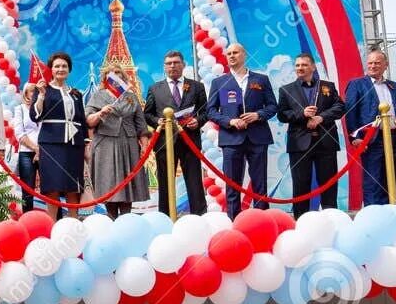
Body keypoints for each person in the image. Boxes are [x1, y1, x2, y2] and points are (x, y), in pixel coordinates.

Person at [207, 43, 278, 217]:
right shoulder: (219, 82)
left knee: (260, 184)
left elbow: (272, 106)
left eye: (235, 52)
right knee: (232, 184)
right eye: (229, 53)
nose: (231, 56)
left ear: (244, 55)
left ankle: (262, 221)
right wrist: (230, 121)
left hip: (258, 137)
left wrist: (258, 115)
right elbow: (210, 111)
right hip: (231, 139)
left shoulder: (261, 80)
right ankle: (234, 221)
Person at [276, 53, 346, 215]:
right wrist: (302, 114)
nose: (300, 68)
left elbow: (340, 107)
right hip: (299, 144)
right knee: (301, 185)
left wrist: (321, 117)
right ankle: (301, 221)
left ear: (313, 67)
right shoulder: (286, 90)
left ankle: (331, 218)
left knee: (329, 184)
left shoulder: (327, 86)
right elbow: (282, 114)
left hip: (326, 142)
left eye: (304, 65)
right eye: (297, 65)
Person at [141, 50, 209, 216]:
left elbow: (206, 111)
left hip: (190, 141)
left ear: (183, 65)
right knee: (165, 183)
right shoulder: (155, 89)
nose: (173, 66)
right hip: (164, 143)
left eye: (176, 62)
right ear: (164, 67)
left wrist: (198, 121)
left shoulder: (196, 87)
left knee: (194, 182)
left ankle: (198, 217)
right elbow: (147, 114)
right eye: (169, 63)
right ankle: (164, 218)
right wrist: (158, 121)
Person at [24, 51, 86, 219]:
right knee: (53, 186)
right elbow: (35, 116)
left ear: (69, 69)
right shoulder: (43, 89)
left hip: (74, 145)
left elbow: (82, 119)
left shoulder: (76, 93)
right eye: (57, 66)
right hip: (51, 145)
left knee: (73, 186)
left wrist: (86, 144)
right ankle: (51, 224)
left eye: (64, 66)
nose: (61, 69)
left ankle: (73, 222)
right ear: (51, 69)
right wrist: (42, 95)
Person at [343, 49, 396, 207]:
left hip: (393, 137)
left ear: (386, 65)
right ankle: (374, 213)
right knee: (373, 178)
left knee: (390, 176)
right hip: (371, 138)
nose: (373, 66)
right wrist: (355, 138)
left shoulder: (395, 86)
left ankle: (390, 210)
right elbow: (351, 112)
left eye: (377, 63)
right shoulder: (357, 84)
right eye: (370, 62)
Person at [84, 69, 149, 212]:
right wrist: (100, 113)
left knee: (128, 184)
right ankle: (111, 216)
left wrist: (144, 145)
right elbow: (88, 120)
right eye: (111, 79)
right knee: (108, 182)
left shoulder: (131, 97)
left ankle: (126, 217)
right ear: (105, 81)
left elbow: (141, 124)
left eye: (118, 79)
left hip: (129, 144)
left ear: (123, 80)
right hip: (104, 144)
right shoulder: (98, 96)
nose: (115, 82)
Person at [9, 99, 39, 212]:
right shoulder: (20, 109)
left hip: (45, 151)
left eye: (32, 91)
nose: (29, 95)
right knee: (27, 190)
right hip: (26, 151)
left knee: (51, 190)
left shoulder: (44, 106)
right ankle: (28, 217)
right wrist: (35, 148)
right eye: (27, 92)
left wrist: (40, 149)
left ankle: (56, 218)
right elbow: (19, 133)